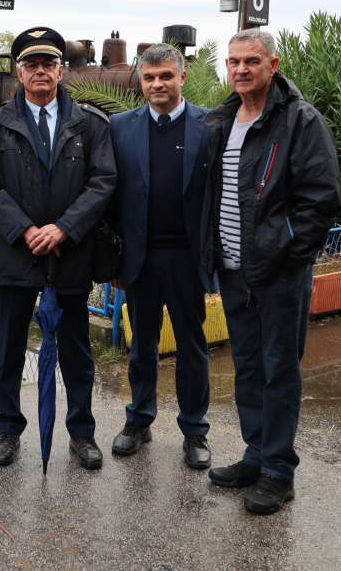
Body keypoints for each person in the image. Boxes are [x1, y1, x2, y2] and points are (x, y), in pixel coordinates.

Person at [202, 28, 340, 515]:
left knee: (279, 370)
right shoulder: (224, 120)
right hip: (234, 270)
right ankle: (256, 455)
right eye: (233, 61)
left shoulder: (300, 121)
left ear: (273, 65)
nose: (241, 69)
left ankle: (279, 472)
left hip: (279, 273)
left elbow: (320, 199)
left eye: (251, 61)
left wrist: (288, 253)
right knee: (248, 367)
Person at [0, 26, 116, 470]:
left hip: (70, 253)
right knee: (9, 348)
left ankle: (82, 432)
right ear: (19, 72)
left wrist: (64, 228)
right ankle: (8, 428)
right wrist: (25, 230)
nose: (40, 71)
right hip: (16, 253)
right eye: (31, 64)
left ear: (61, 70)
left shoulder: (89, 124)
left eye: (48, 63)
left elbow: (103, 181)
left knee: (76, 348)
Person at [109, 44, 214, 470]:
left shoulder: (210, 126)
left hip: (187, 259)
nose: (157, 84)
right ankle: (139, 420)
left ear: (182, 77)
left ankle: (195, 430)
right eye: (150, 77)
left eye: (166, 76)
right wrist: (114, 259)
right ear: (140, 80)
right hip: (140, 258)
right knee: (142, 346)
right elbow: (111, 195)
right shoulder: (120, 127)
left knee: (192, 346)